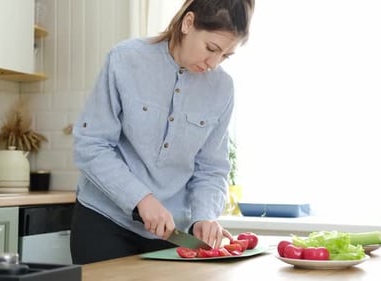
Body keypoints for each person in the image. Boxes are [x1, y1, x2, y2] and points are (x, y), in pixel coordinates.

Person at [70, 0, 255, 264]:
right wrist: (141, 199)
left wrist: (204, 216)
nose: (214, 62)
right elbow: (91, 145)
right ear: (188, 23)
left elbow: (211, 168)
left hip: (169, 235)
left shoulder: (222, 89)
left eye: (225, 55)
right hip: (104, 221)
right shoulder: (125, 59)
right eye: (211, 48)